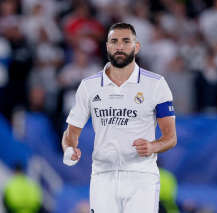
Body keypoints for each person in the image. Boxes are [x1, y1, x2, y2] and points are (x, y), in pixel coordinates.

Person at [61, 22, 177, 213]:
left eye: (126, 41)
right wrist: (69, 149)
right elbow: (71, 132)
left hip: (141, 176)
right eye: (114, 41)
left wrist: (151, 146)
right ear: (107, 46)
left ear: (136, 46)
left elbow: (171, 138)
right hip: (103, 176)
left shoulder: (156, 84)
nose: (120, 46)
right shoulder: (89, 86)